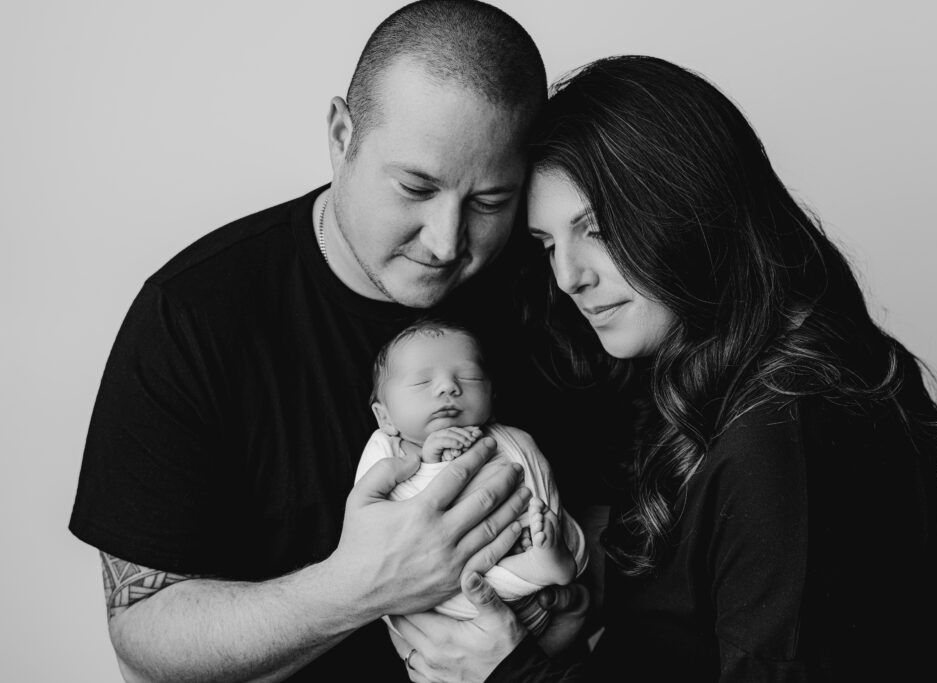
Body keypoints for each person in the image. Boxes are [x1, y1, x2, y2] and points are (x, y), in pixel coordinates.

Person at [390, 56, 937, 682]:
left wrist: (512, 672)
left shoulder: (789, 426)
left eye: (595, 228)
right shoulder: (707, 381)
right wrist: (563, 639)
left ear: (687, 205)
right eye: (548, 244)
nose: (569, 276)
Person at [69, 3, 604, 681]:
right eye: (416, 186)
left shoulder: (551, 290)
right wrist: (364, 585)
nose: (446, 240)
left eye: (490, 201)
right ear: (341, 133)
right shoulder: (194, 314)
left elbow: (607, 548)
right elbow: (143, 637)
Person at [353, 319, 586, 656]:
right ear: (385, 417)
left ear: (491, 396)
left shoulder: (510, 440)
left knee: (552, 522)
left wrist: (528, 526)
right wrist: (432, 464)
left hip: (536, 611)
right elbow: (383, 528)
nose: (448, 387)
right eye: (421, 382)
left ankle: (545, 558)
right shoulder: (387, 453)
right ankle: (540, 566)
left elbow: (537, 483)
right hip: (447, 612)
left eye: (469, 377)